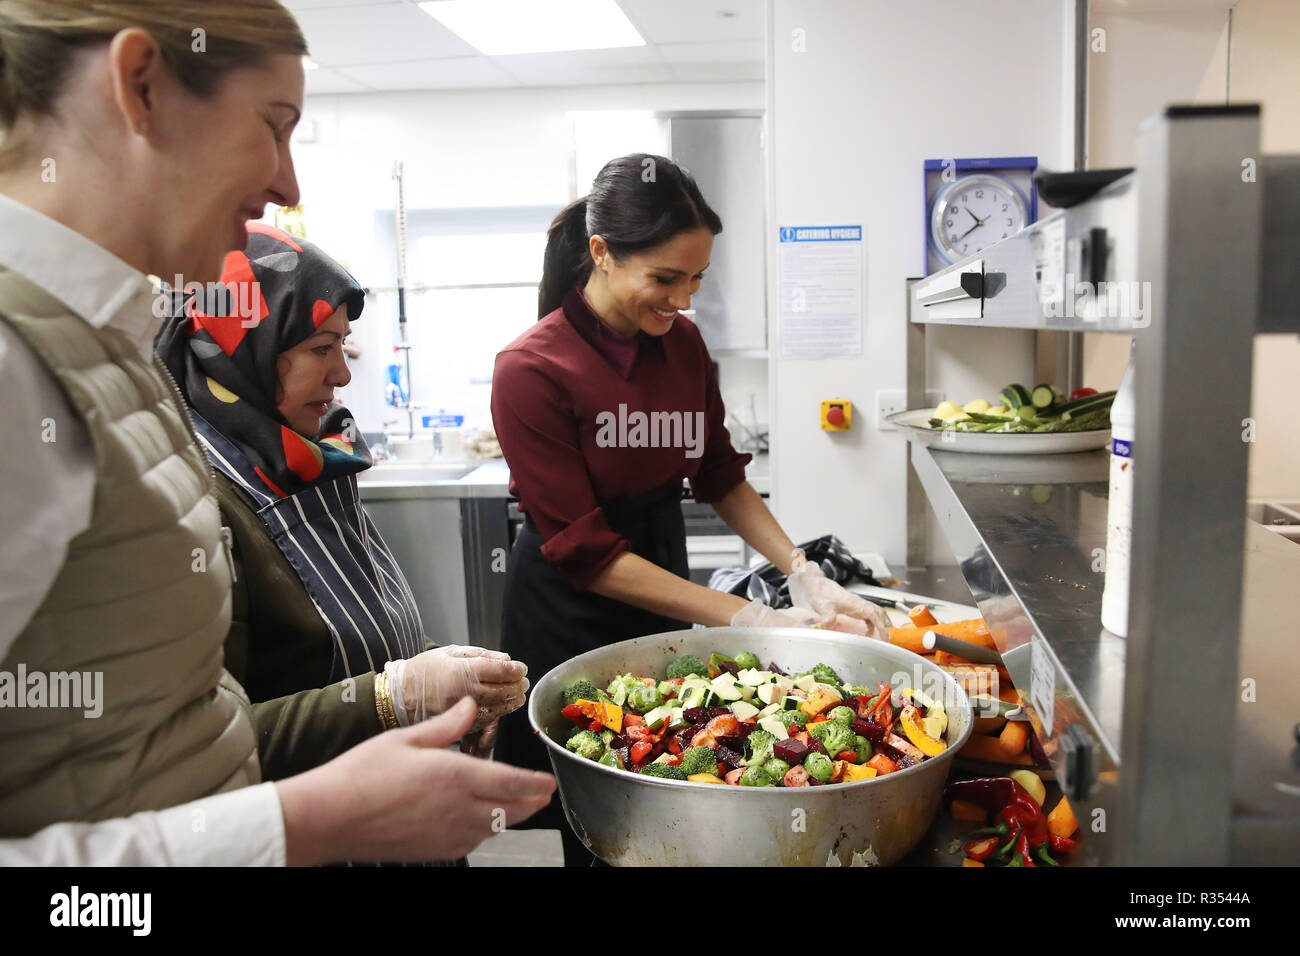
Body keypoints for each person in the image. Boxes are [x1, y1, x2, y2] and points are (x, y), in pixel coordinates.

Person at [0, 0, 553, 865]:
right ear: (140, 84)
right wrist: (311, 820)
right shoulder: (14, 363)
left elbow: (175, 731)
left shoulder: (115, 354)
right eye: (275, 126)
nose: (288, 186)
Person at [490, 154, 888, 864]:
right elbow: (586, 552)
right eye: (666, 278)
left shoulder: (684, 346)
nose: (683, 299)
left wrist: (801, 570)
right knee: (598, 807)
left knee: (681, 772)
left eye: (698, 278)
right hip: (570, 602)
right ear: (602, 254)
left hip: (659, 575)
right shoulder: (531, 368)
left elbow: (719, 474)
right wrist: (745, 616)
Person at [156, 223, 527, 782]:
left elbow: (359, 617)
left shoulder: (313, 455)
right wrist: (394, 697)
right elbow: (198, 747)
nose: (343, 374)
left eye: (343, 346)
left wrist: (442, 675)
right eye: (320, 349)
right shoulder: (193, 502)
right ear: (242, 350)